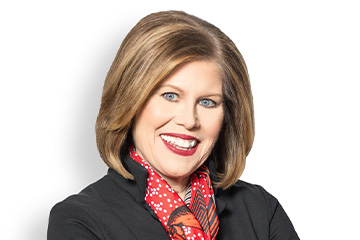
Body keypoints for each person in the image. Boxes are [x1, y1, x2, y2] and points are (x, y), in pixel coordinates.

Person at [48, 10, 299, 240]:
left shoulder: (260, 210)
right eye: (170, 96)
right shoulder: (80, 221)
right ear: (131, 100)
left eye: (208, 102)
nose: (189, 120)